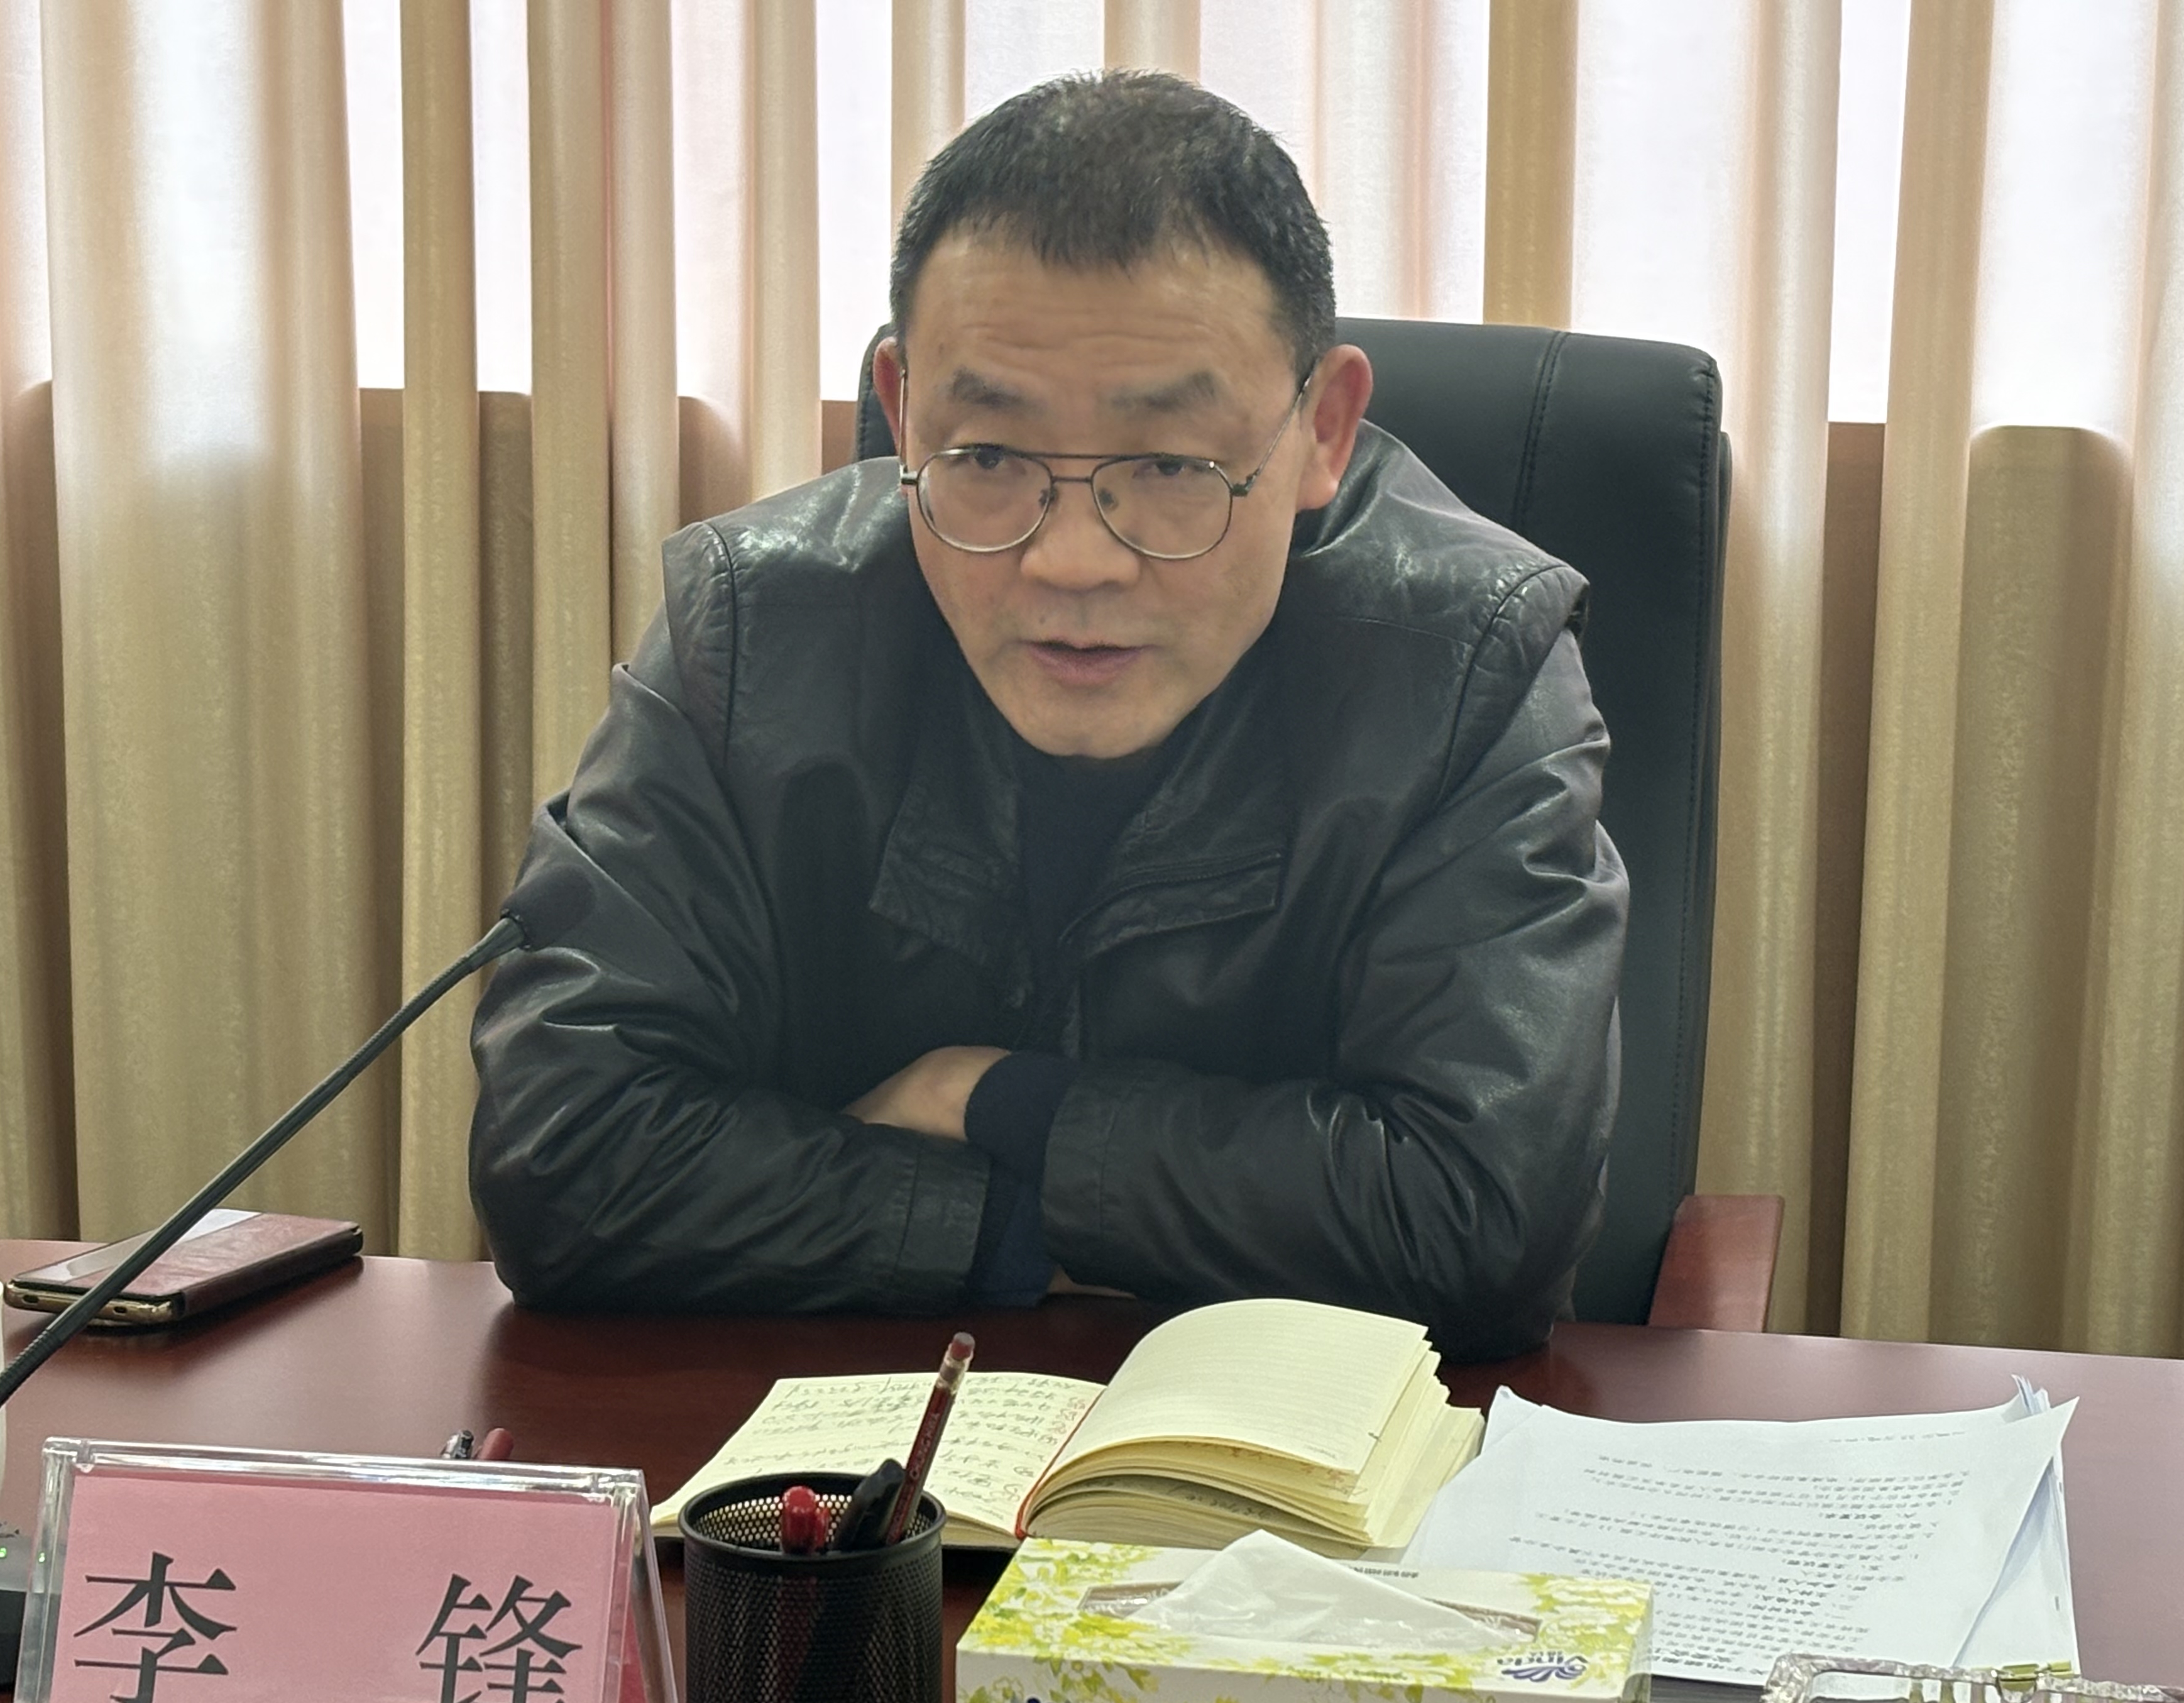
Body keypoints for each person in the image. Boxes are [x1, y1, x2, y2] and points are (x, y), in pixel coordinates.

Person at [469, 70, 1625, 1360]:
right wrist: (1006, 1226)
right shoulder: (752, 632)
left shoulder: (1469, 660)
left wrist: (995, 1101)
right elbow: (561, 1155)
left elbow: (1482, 1218)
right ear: (903, 410)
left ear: (1323, 429)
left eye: (1172, 465)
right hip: (833, 1455)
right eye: (988, 457)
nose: (1073, 562)